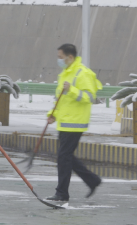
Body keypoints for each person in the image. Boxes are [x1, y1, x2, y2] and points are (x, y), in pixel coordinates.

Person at [46, 44, 103, 202]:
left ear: (69, 57)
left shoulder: (82, 73)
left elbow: (90, 97)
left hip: (75, 122)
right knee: (66, 157)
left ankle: (62, 193)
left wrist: (72, 90)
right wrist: (53, 114)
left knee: (64, 157)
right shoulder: (65, 73)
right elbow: (62, 99)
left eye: (60, 57)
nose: (59, 60)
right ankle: (92, 180)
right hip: (64, 122)